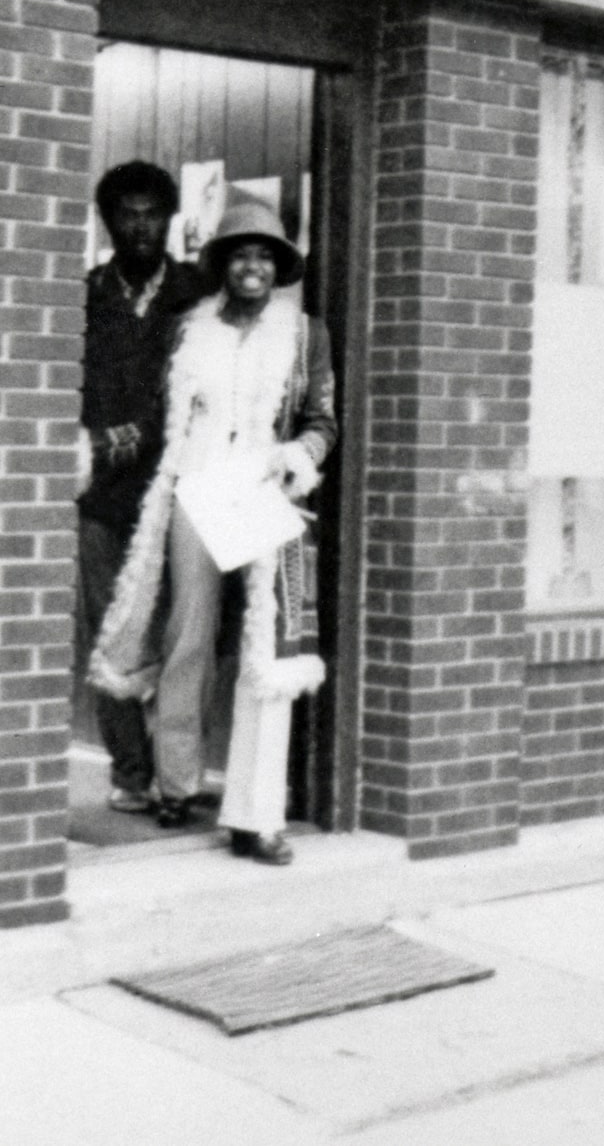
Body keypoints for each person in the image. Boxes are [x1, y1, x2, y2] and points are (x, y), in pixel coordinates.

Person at [90, 196, 335, 866]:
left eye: (263, 255)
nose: (251, 266)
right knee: (186, 639)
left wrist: (297, 458)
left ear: (277, 266)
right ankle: (176, 785)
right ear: (222, 265)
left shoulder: (305, 333)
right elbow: (154, 413)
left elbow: (322, 423)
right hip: (197, 494)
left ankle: (257, 818)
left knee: (266, 651)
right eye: (239, 254)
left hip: (263, 498)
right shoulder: (185, 329)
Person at [78, 162, 208, 814]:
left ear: (170, 218)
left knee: (181, 630)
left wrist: (119, 439)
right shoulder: (84, 296)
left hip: (178, 487)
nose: (141, 224)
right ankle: (131, 775)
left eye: (153, 212)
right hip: (101, 499)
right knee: (112, 631)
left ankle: (177, 776)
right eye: (127, 212)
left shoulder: (195, 292)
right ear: (108, 221)